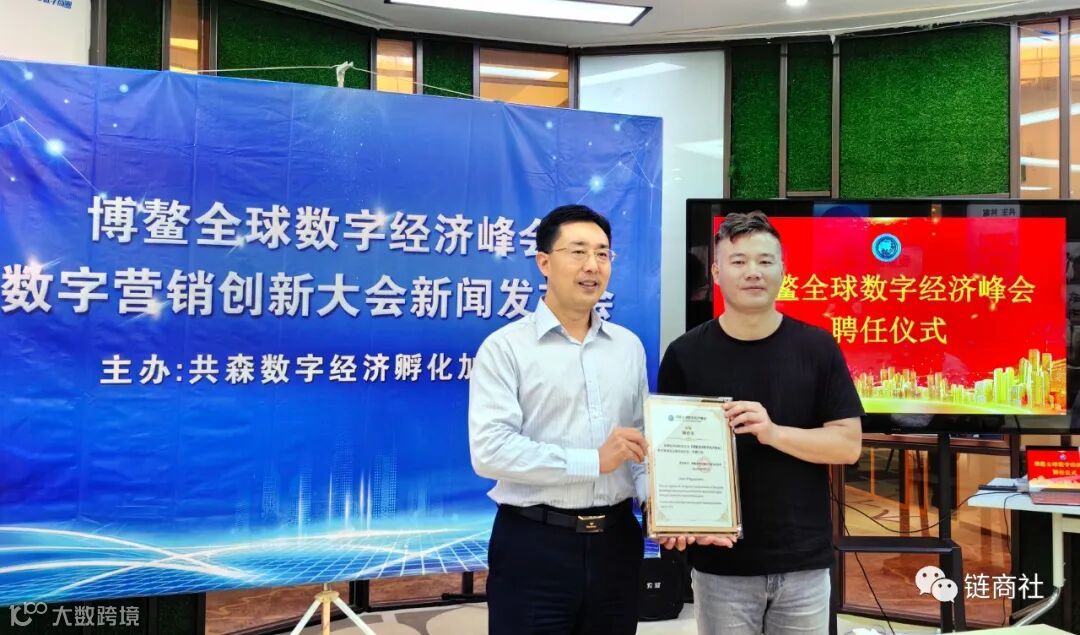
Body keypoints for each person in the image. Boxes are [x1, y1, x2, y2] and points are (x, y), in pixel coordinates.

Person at [658, 211, 864, 635]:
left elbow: (848, 445)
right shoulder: (685, 355)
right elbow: (668, 457)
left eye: (765, 261)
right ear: (717, 273)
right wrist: (674, 517)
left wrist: (773, 433)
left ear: (783, 270)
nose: (753, 271)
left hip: (803, 563)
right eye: (738, 261)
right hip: (721, 566)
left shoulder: (817, 347)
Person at [468, 204, 650, 635]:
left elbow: (640, 444)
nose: (592, 265)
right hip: (535, 545)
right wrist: (593, 461)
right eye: (578, 251)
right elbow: (490, 451)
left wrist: (657, 503)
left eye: (603, 253)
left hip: (617, 544)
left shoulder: (628, 347)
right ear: (544, 262)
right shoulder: (505, 348)